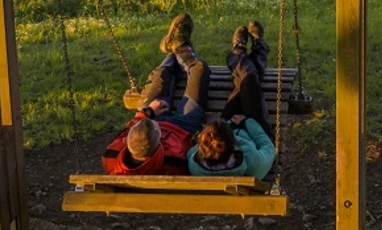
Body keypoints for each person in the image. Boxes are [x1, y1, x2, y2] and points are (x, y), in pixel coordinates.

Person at [100, 14, 209, 176]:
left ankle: (177, 47)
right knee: (199, 69)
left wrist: (148, 113)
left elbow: (126, 130)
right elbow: (193, 153)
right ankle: (178, 47)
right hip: (183, 127)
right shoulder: (174, 165)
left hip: (155, 115)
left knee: (161, 75)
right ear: (159, 144)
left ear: (128, 143)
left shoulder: (112, 156)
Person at [188, 22, 277, 179]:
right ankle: (242, 54)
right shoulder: (254, 166)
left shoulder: (196, 164)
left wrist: (228, 125)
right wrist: (245, 123)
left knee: (242, 84)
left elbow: (191, 151)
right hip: (255, 131)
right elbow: (268, 147)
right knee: (249, 80)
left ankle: (247, 53)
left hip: (228, 133)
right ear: (235, 143)